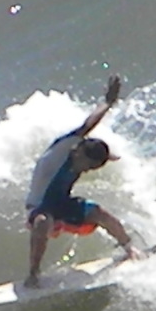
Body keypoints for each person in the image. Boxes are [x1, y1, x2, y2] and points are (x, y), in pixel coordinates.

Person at [24, 74, 141, 287]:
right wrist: (107, 102)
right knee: (42, 222)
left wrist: (106, 157)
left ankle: (130, 249)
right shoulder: (60, 151)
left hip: (62, 206)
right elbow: (87, 126)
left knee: (100, 214)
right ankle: (33, 275)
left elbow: (93, 149)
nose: (86, 170)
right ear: (78, 152)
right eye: (88, 165)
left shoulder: (82, 154)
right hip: (38, 209)